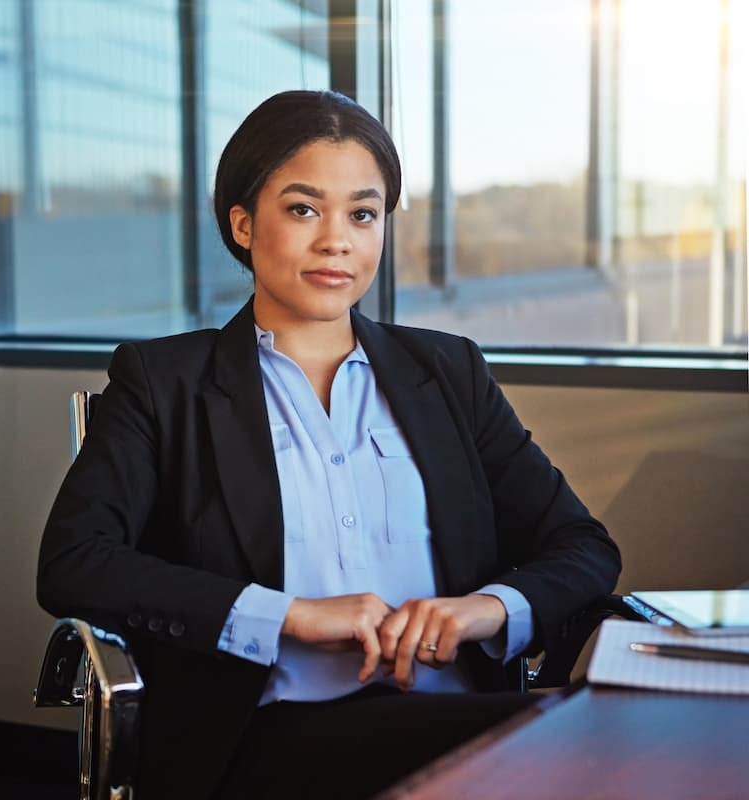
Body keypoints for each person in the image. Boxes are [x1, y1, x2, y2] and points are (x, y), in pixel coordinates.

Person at [37, 89, 621, 800]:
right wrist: (291, 617)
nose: (336, 241)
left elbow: (583, 546)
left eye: (362, 214)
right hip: (267, 734)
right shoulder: (166, 382)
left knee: (617, 733)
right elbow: (74, 563)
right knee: (593, 745)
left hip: (454, 711)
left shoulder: (448, 372)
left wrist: (485, 609)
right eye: (303, 209)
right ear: (244, 224)